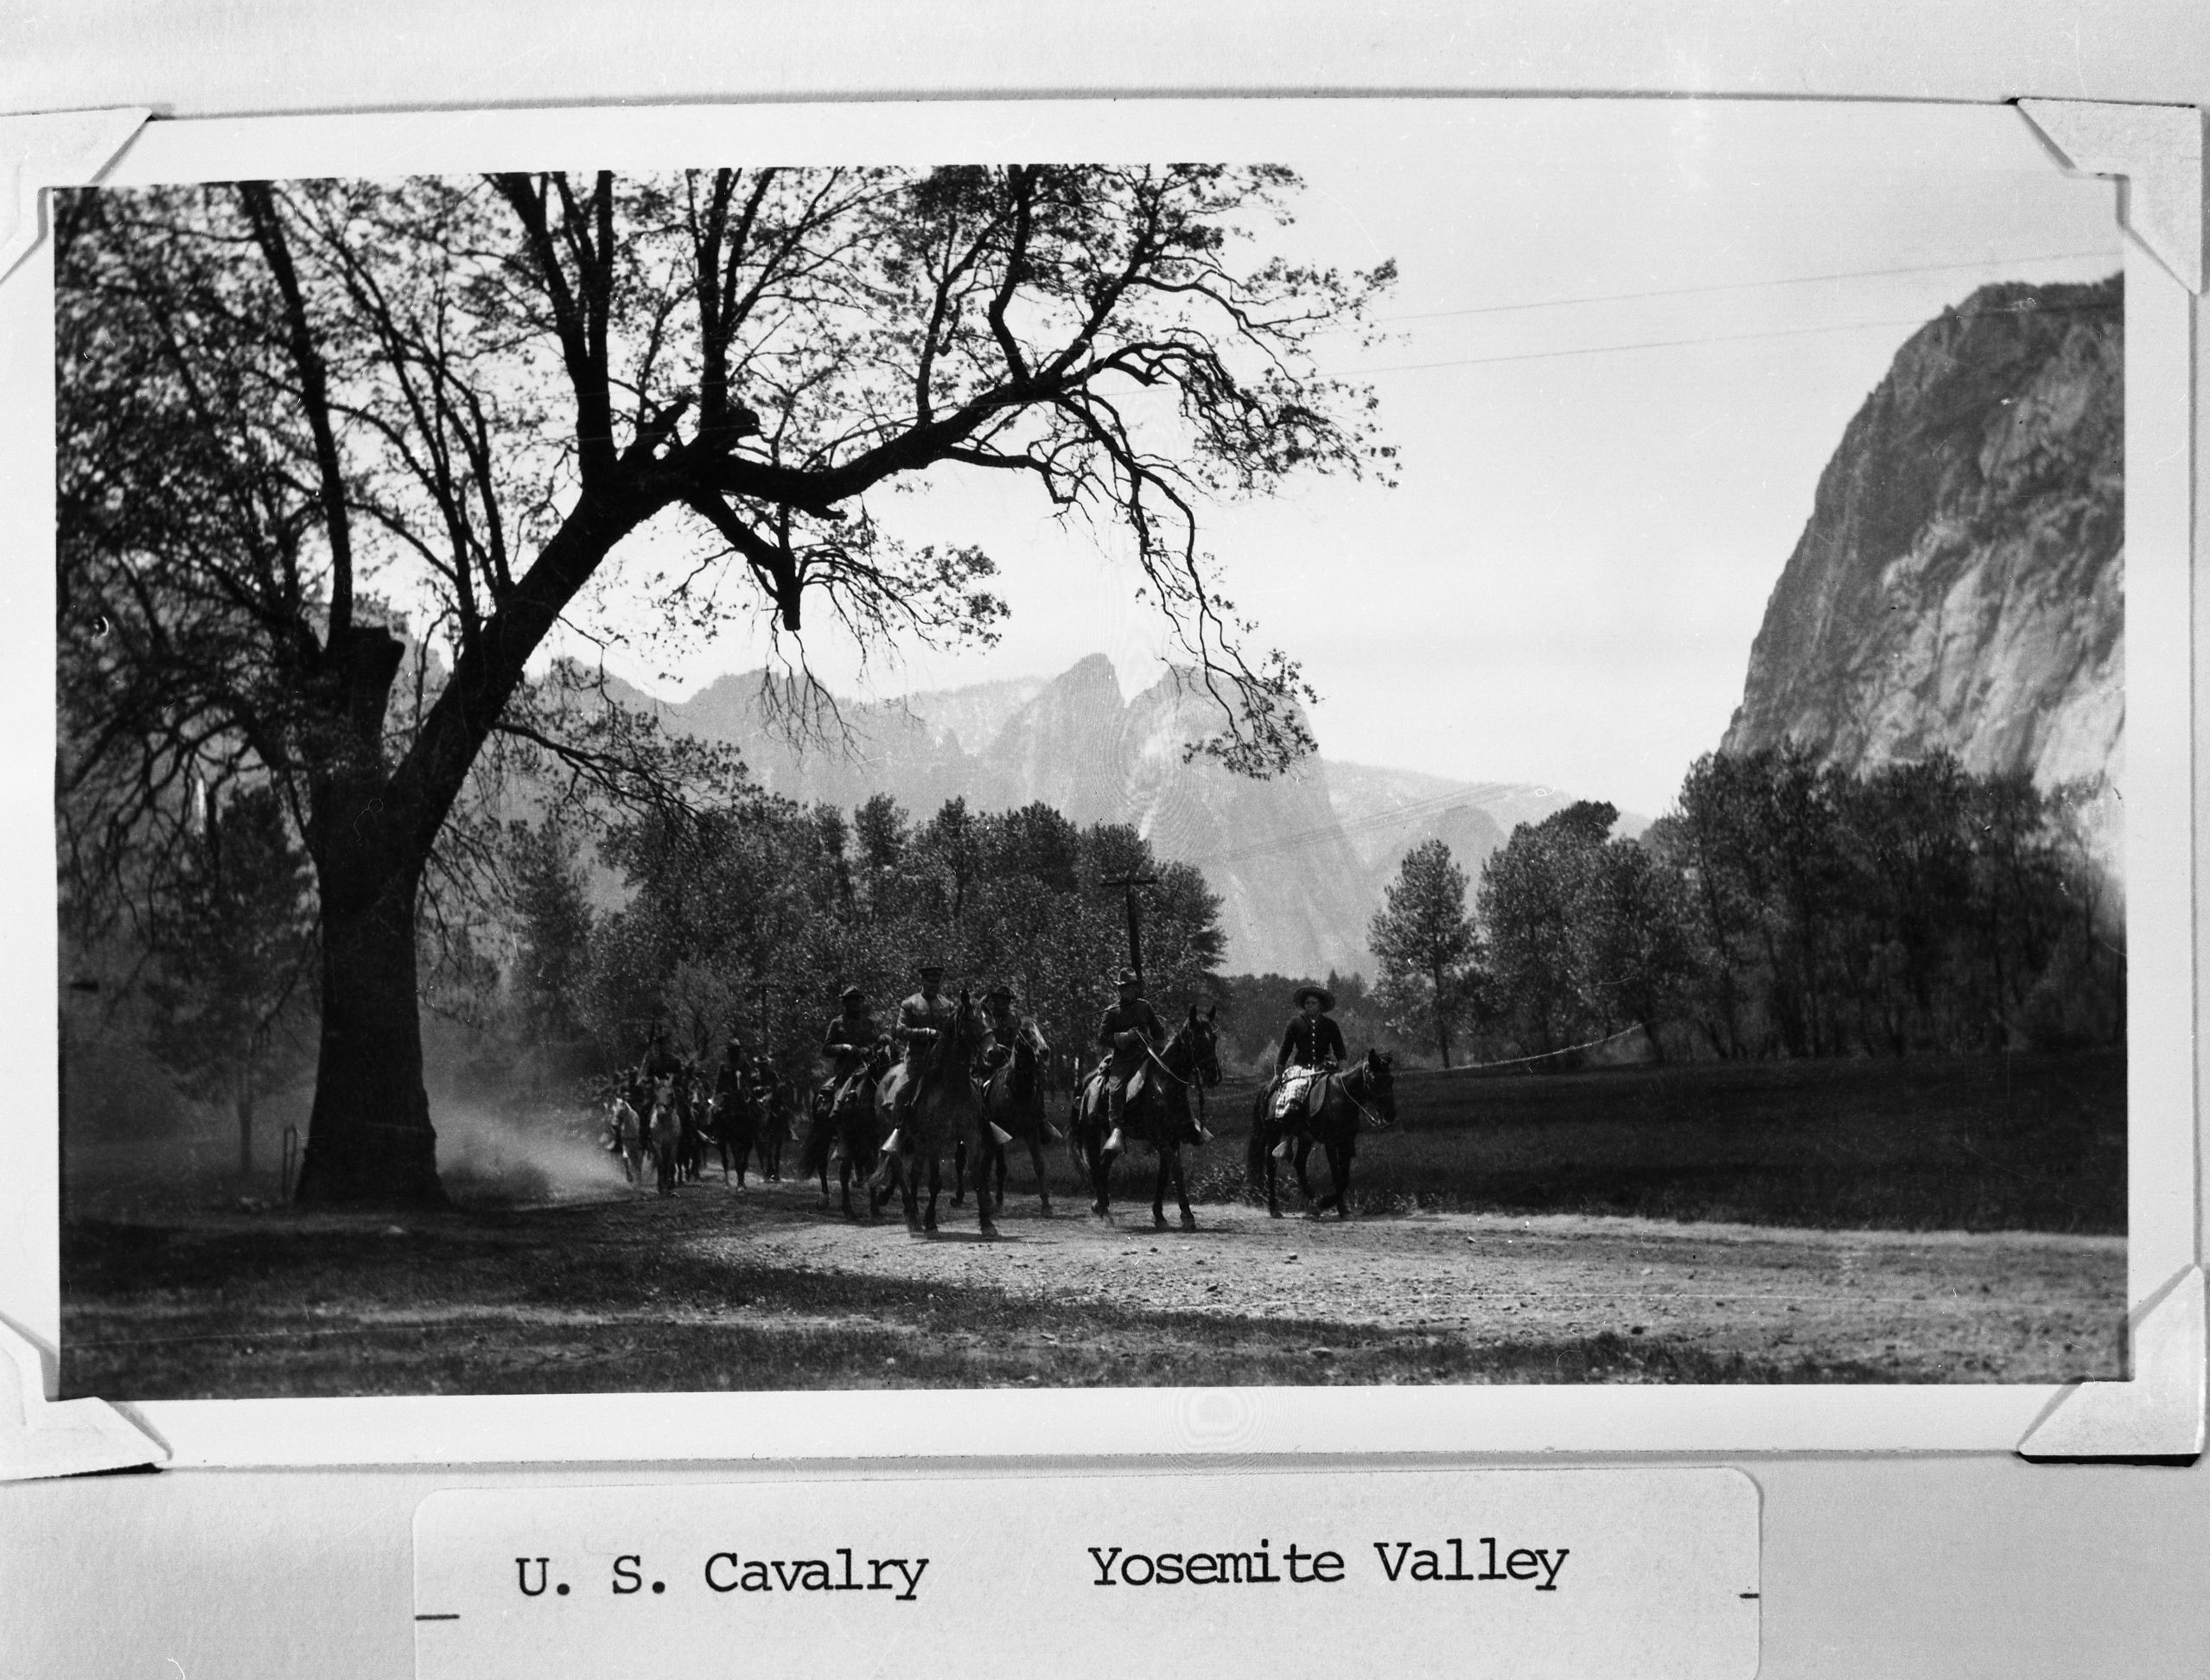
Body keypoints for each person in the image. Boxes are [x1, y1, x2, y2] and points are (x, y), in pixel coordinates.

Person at [1094, 966, 1165, 1154]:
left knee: (1167, 1081)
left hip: (1145, 1055)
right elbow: (1102, 1037)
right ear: (1119, 990)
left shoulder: (1145, 1007)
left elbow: (1158, 1031)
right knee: (1116, 1090)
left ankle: (1180, 1122)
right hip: (1123, 1060)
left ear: (1136, 988)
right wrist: (1125, 1037)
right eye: (1124, 987)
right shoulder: (1112, 1011)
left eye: (1131, 987)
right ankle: (1116, 1132)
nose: (1127, 990)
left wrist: (1157, 1038)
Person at [887, 962, 961, 1132]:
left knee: (970, 1086)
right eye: (930, 982)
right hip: (918, 1059)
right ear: (923, 981)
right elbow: (900, 1031)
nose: (934, 985)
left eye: (937, 982)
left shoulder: (948, 1005)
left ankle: (981, 1123)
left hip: (943, 1060)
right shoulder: (910, 1004)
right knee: (903, 1093)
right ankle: (899, 1129)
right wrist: (926, 1032)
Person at [1272, 983, 1347, 1119]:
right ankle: (1289, 1131)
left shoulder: (1331, 1025)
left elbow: (1340, 1051)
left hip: (1324, 1069)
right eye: (1307, 1003)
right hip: (1302, 1069)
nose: (1310, 1006)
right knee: (1295, 1092)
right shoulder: (1295, 1023)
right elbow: (1285, 1049)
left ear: (1321, 1006)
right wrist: (1278, 1073)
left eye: (1314, 1003)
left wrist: (1343, 1071)